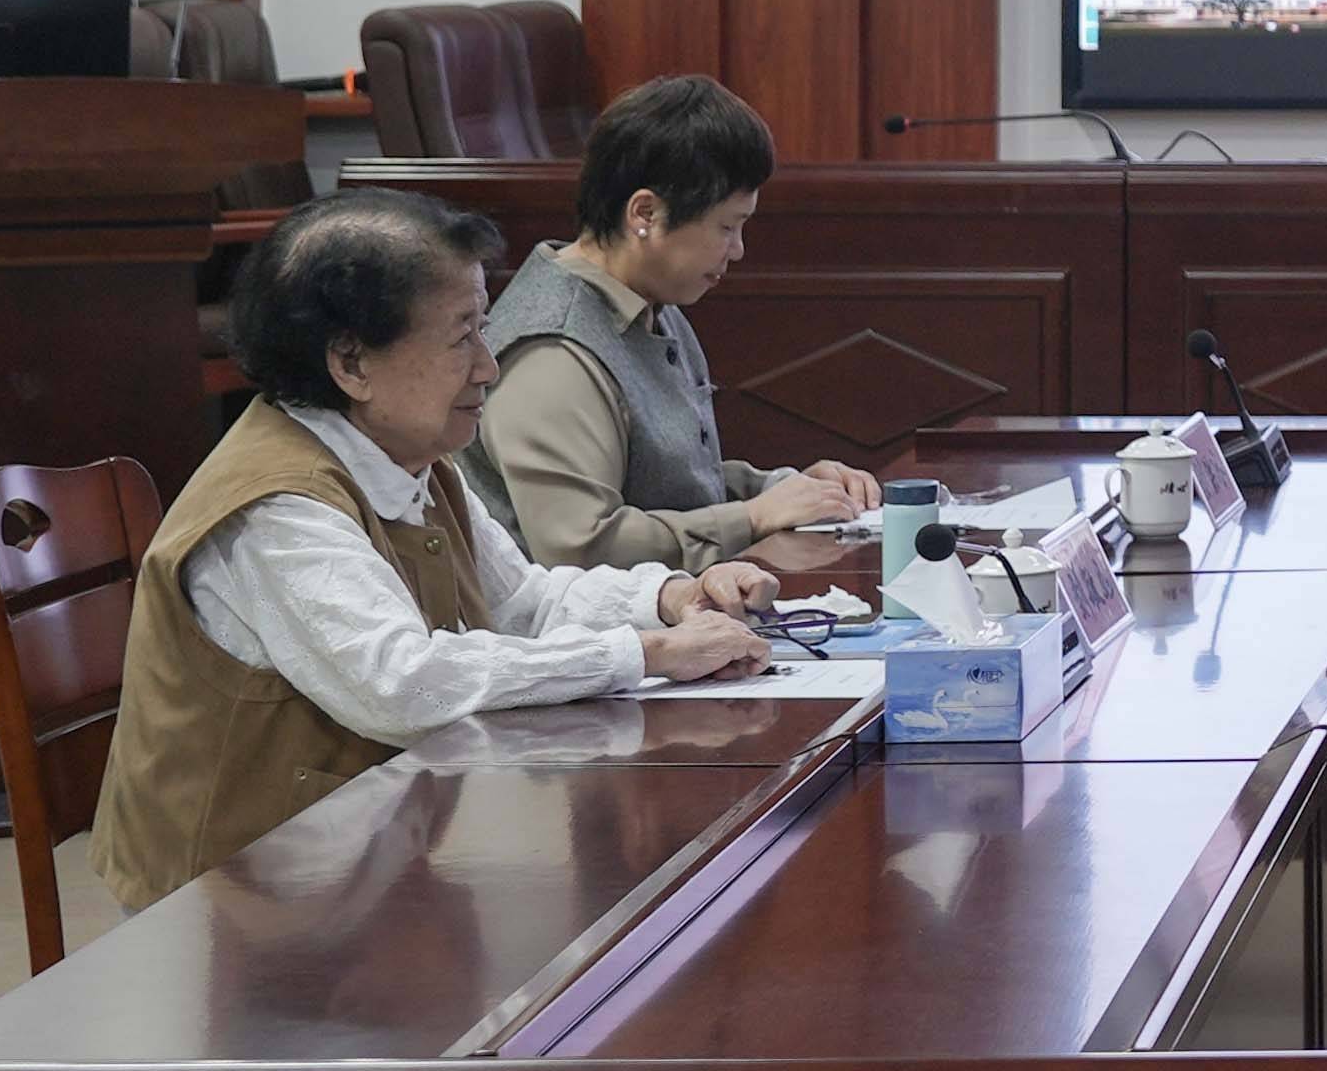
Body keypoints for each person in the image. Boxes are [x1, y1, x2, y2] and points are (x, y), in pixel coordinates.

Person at [98, 194, 781, 912]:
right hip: (240, 906)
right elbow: (401, 686)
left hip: (365, 858)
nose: (488, 367)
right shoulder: (278, 508)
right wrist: (646, 654)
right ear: (352, 362)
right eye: (462, 339)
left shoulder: (408, 456)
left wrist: (671, 598)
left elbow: (522, 603)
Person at [467, 73, 886, 566]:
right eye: (727, 227)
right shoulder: (552, 351)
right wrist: (752, 518)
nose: (739, 250)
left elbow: (665, 481)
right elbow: (579, 548)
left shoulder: (647, 298)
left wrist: (787, 490)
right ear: (644, 213)